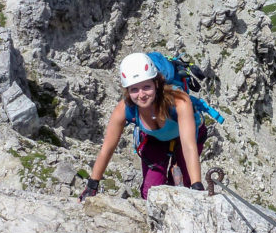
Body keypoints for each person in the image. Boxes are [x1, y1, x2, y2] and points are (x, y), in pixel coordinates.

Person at [79, 52, 207, 201]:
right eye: (134, 89)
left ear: (156, 83)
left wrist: (196, 185)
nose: (141, 95)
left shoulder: (179, 101)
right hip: (154, 140)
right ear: (127, 91)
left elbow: (188, 145)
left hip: (186, 138)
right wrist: (92, 185)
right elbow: (107, 148)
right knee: (150, 193)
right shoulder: (125, 109)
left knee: (185, 186)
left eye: (146, 87)